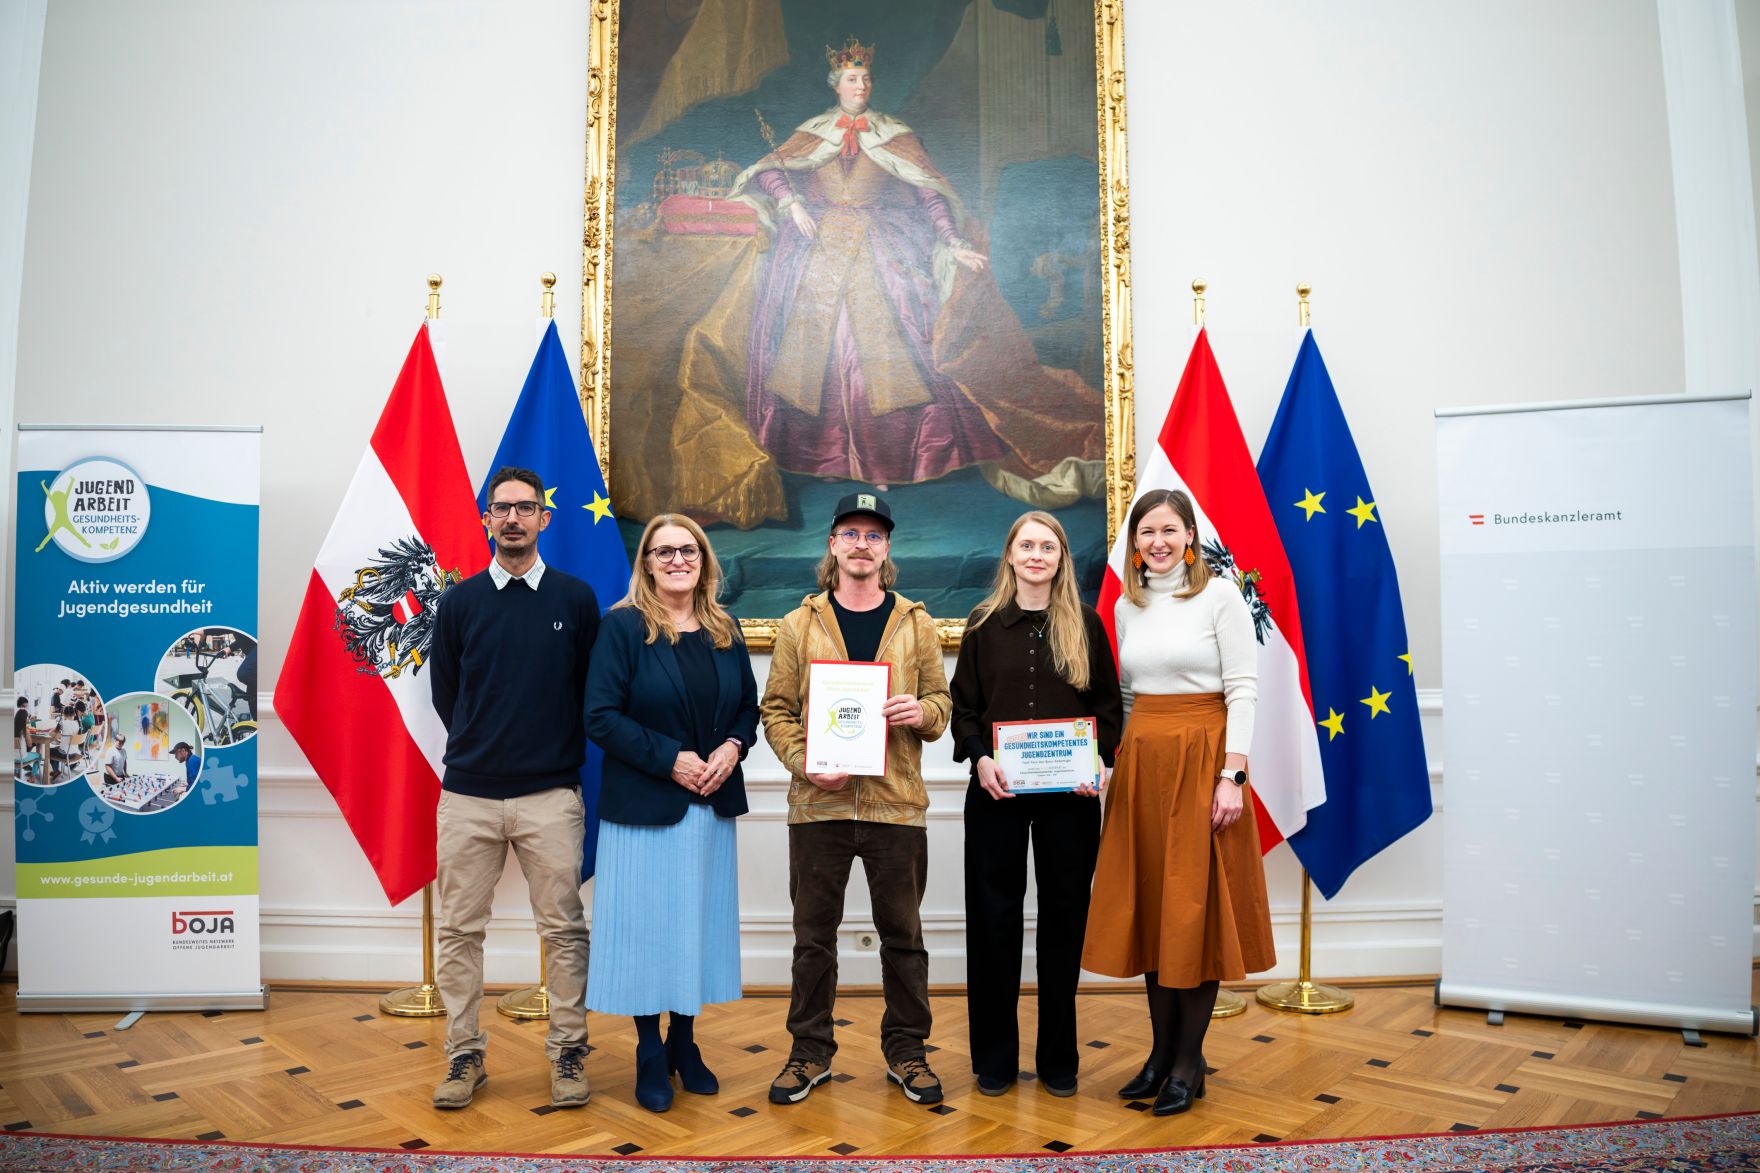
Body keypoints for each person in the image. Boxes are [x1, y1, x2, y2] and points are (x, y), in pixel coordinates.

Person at [726, 39, 1103, 494]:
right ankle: (822, 456)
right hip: (817, 250)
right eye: (852, 79)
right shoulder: (814, 131)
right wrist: (790, 203)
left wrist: (954, 242)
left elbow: (930, 194)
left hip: (879, 247)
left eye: (866, 78)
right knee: (815, 349)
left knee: (885, 339)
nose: (860, 85)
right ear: (836, 86)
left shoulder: (894, 134)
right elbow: (770, 170)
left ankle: (883, 460)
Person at [1081, 488, 1274, 1116]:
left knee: (1195, 911)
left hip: (1203, 763)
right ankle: (1161, 1055)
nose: (1157, 543)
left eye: (1168, 531)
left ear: (1190, 536)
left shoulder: (1220, 596)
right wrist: (1112, 768)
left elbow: (1243, 688)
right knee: (1152, 910)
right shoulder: (1128, 608)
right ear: (1132, 545)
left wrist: (1232, 776)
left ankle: (1191, 1062)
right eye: (1145, 534)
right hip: (1143, 765)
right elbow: (1130, 699)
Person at [760, 490, 952, 1105]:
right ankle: (809, 1054)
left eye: (873, 535)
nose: (861, 545)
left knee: (904, 938)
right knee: (813, 939)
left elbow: (944, 709)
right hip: (819, 809)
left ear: (887, 548)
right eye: (851, 534)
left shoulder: (916, 624)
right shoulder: (798, 624)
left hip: (897, 805)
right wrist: (805, 762)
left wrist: (920, 710)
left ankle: (908, 1052)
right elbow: (777, 711)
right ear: (832, 544)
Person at [426, 466, 601, 1111]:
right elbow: (449, 693)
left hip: (551, 796)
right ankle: (464, 1055)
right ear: (486, 519)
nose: (513, 519)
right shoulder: (460, 601)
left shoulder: (576, 600)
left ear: (544, 519)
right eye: (502, 509)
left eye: (526, 509)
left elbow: (590, 694)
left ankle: (569, 1053)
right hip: (469, 794)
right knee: (459, 930)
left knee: (562, 930)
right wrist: (484, 745)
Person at [584, 514, 759, 1113]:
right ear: (648, 563)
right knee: (646, 932)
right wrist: (673, 760)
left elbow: (747, 708)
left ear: (704, 559)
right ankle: (648, 1050)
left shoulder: (724, 628)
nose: (677, 560)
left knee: (693, 927)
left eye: (688, 550)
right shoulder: (623, 628)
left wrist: (733, 749)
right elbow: (600, 716)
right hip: (645, 805)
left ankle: (685, 1042)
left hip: (709, 804)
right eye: (664, 551)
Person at [949, 511, 1122, 1097]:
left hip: (1070, 800)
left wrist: (1098, 762)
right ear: (1010, 554)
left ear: (1061, 558)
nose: (1037, 555)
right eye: (1027, 544)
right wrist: (979, 757)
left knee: (1063, 923)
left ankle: (1058, 1060)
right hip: (995, 791)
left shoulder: (1088, 625)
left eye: (1048, 546)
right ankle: (995, 1061)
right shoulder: (981, 625)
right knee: (993, 922)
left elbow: (1108, 711)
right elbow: (964, 707)